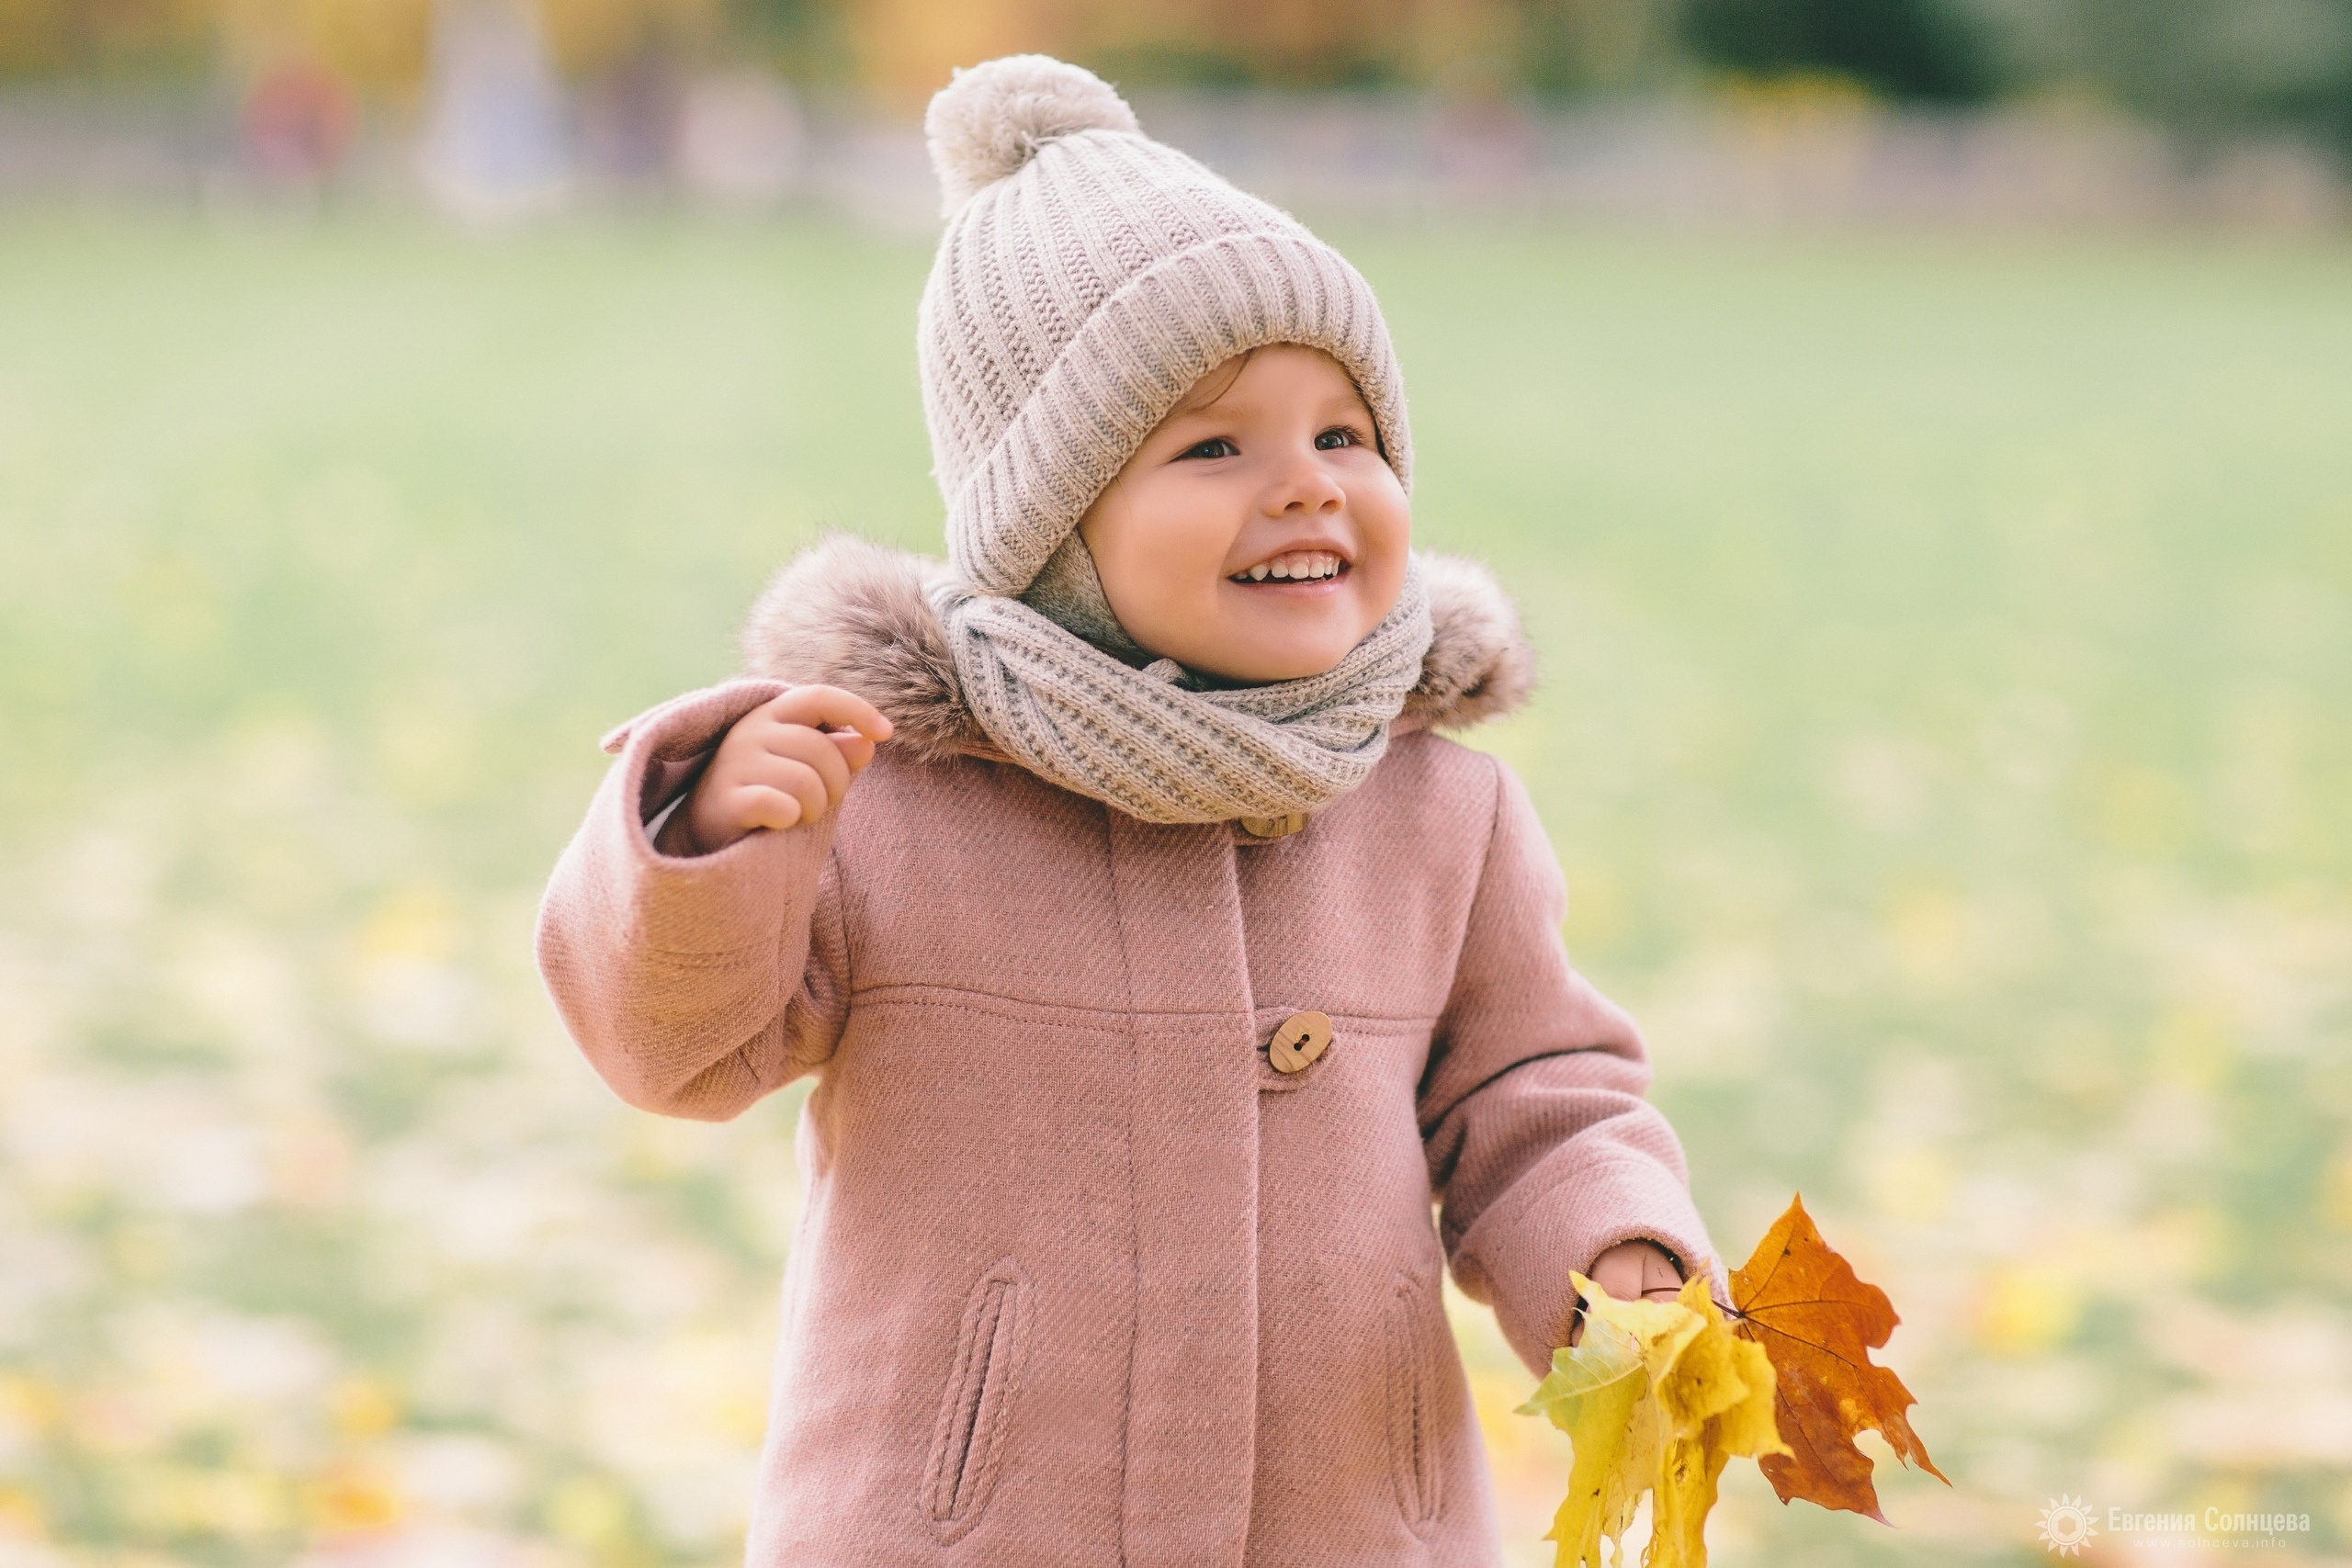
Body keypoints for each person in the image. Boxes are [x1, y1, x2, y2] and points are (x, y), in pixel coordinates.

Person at [537, 53, 1723, 1566]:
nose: (1304, 486)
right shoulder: (891, 793)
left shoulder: (1439, 815)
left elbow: (1537, 1103)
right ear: (1053, 529)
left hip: (1352, 1530)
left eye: (1343, 436)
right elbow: (670, 1050)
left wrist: (1614, 1250)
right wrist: (706, 853)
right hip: (956, 1534)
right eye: (1214, 446)